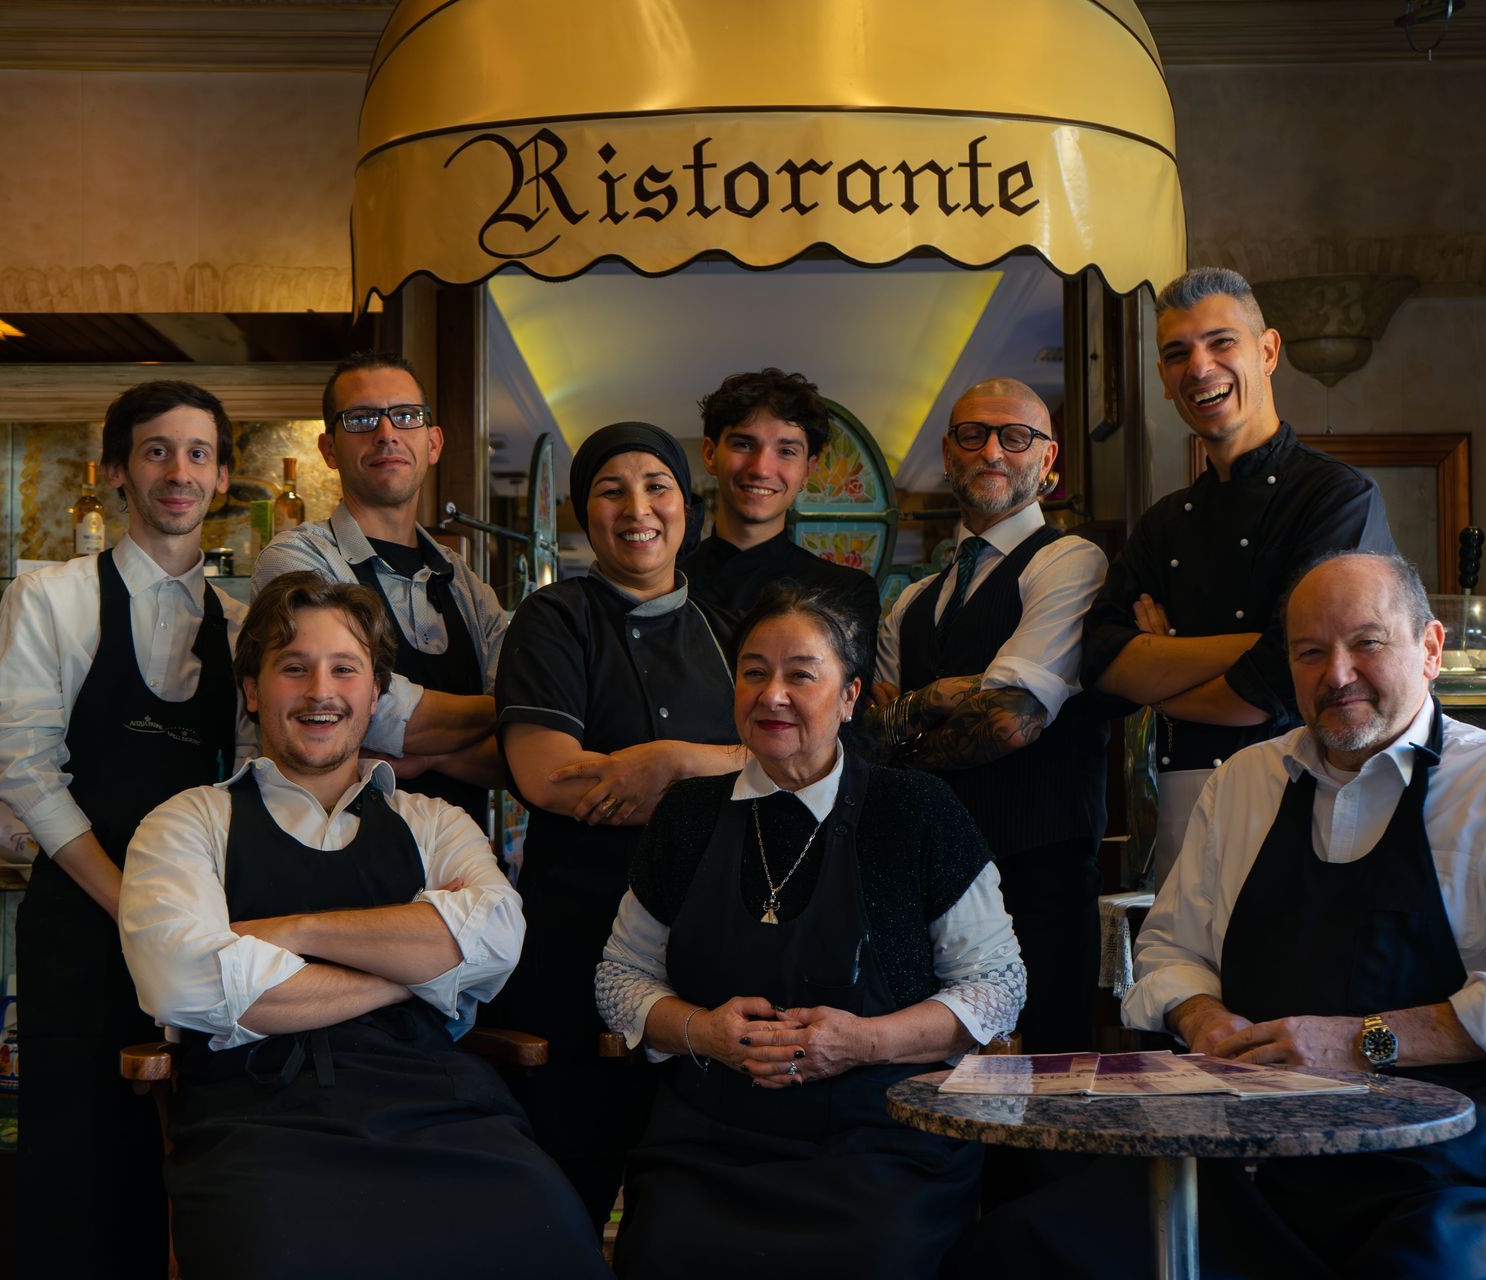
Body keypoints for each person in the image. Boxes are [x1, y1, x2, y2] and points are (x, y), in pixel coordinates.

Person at [952, 551, 1486, 1279]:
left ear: (1430, 649)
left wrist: (1360, 1042)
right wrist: (1202, 1019)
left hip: (1446, 1168)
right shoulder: (1244, 783)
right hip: (1248, 1161)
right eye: (1309, 652)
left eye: (1366, 643)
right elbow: (1170, 953)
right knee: (1023, 1246)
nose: (1337, 675)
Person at [118, 572, 606, 1280]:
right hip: (258, 1125)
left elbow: (497, 939)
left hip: (440, 1108)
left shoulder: (433, 822)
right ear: (252, 690)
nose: (321, 692)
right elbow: (185, 983)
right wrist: (417, 975)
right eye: (294, 668)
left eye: (345, 669)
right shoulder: (187, 822)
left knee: (554, 1232)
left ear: (375, 693)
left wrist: (294, 931)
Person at [597, 581, 1024, 1278]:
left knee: (870, 1255)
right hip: (713, 1140)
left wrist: (862, 1042)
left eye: (801, 675)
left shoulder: (916, 810)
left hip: (884, 1138)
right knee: (666, 1248)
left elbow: (998, 987)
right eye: (754, 673)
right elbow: (620, 976)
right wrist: (703, 1032)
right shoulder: (687, 815)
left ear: (850, 696)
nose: (772, 696)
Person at [0, 380, 243, 1279]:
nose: (179, 472)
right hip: (80, 926)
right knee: (75, 1162)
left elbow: (247, 780)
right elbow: (25, 770)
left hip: (196, 931)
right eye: (156, 451)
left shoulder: (242, 625)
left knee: (188, 1154)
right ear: (117, 471)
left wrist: (185, 922)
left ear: (224, 476)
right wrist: (131, 904)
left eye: (199, 453)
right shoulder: (51, 597)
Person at [489, 421, 748, 1231]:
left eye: (656, 486)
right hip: (580, 937)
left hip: (714, 942)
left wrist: (670, 761)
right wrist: (734, 773)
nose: (638, 508)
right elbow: (549, 778)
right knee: (571, 1177)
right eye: (611, 490)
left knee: (697, 1193)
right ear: (583, 513)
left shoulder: (728, 628)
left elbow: (800, 762)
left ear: (686, 505)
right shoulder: (553, 619)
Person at [1085, 267, 1393, 881]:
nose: (1199, 367)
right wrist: (1258, 645)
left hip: (1308, 796)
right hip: (1180, 805)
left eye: (1221, 341)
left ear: (1268, 351)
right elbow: (1099, 662)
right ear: (1164, 378)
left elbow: (1279, 683)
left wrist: (1161, 675)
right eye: (1178, 353)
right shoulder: (1165, 523)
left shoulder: (1338, 498)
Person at [867, 377, 1107, 1055]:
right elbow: (864, 738)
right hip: (923, 877)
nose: (993, 451)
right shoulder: (911, 600)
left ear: (1048, 458)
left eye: (1016, 436)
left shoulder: (1069, 561)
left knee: (1045, 1079)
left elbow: (1008, 723)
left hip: (1039, 881)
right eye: (973, 435)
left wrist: (904, 729)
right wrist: (933, 700)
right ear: (948, 452)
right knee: (931, 1076)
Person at [254, 351, 506, 827]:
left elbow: (521, 747)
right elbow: (369, 711)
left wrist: (429, 757)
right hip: (331, 846)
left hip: (460, 858)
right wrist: (496, 712)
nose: (386, 433)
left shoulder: (467, 585)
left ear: (433, 442)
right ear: (329, 449)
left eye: (406, 416)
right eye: (362, 418)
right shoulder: (296, 560)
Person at [681, 368, 881, 697]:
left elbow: (844, 715)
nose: (761, 469)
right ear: (710, 454)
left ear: (808, 470)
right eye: (744, 444)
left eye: (786, 451)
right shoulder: (668, 584)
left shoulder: (845, 592)